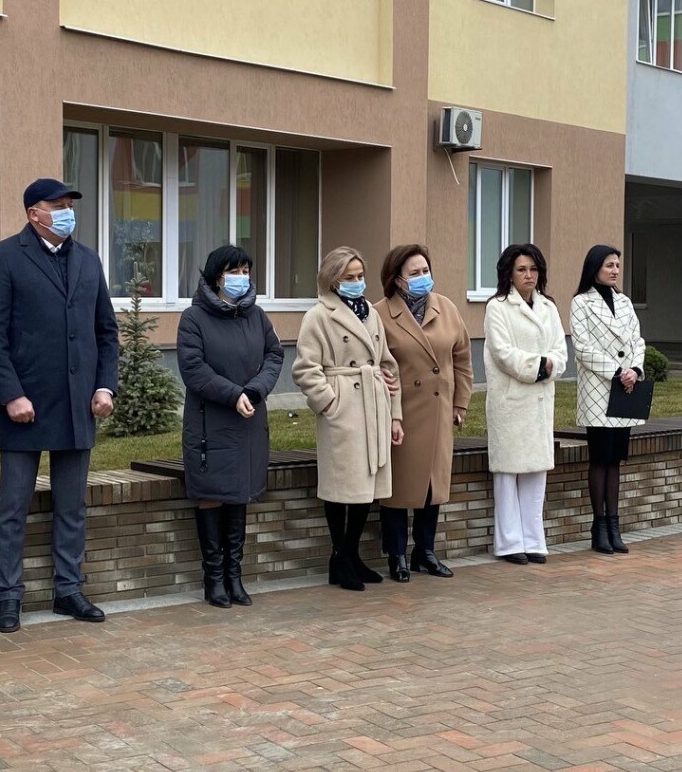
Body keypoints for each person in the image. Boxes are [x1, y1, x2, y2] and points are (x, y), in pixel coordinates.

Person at [0, 177, 120, 632]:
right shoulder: (5, 257)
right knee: (13, 507)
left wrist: (105, 387)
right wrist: (10, 393)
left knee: (71, 506)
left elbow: (106, 332)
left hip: (78, 403)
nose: (65, 212)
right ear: (32, 213)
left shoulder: (87, 259)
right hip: (24, 404)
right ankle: (8, 596)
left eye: (68, 205)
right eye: (56, 205)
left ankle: (69, 590)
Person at [176, 244, 284, 608]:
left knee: (241, 493)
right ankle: (214, 579)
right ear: (216, 277)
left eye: (245, 271)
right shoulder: (193, 318)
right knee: (212, 493)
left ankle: (234, 576)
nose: (241, 278)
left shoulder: (257, 316)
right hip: (211, 422)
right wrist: (232, 393)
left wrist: (254, 390)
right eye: (234, 271)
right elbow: (194, 369)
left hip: (249, 418)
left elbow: (274, 355)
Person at [293, 246, 403, 591]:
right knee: (342, 486)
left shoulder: (371, 313)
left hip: (372, 406)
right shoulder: (318, 316)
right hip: (344, 410)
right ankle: (339, 557)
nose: (357, 282)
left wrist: (394, 413)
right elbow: (305, 368)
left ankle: (351, 555)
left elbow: (388, 364)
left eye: (360, 276)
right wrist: (330, 402)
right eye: (349, 277)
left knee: (366, 486)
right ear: (333, 280)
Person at [375, 243, 473, 582]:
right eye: (414, 273)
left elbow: (462, 359)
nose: (422, 277)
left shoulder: (446, 308)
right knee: (399, 488)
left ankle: (425, 551)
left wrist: (460, 403)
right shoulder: (380, 313)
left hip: (439, 409)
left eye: (425, 271)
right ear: (397, 279)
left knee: (434, 485)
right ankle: (397, 554)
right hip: (401, 413)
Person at [483, 243, 567, 563]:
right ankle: (509, 543)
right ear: (509, 274)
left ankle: (533, 541)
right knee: (508, 474)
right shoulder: (497, 307)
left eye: (533, 269)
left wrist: (551, 365)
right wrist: (540, 366)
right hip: (510, 401)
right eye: (521, 269)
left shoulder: (548, 307)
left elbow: (560, 351)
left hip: (540, 402)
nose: (528, 275)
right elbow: (503, 353)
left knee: (536, 473)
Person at [570, 244, 647, 555]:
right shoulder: (581, 302)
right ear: (595, 269)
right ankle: (599, 526)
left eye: (617, 265)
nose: (615, 270)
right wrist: (617, 371)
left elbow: (638, 340)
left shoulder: (625, 302)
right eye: (609, 265)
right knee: (600, 458)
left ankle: (614, 524)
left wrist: (635, 370)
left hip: (625, 390)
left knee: (615, 460)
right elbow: (583, 348)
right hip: (598, 390)